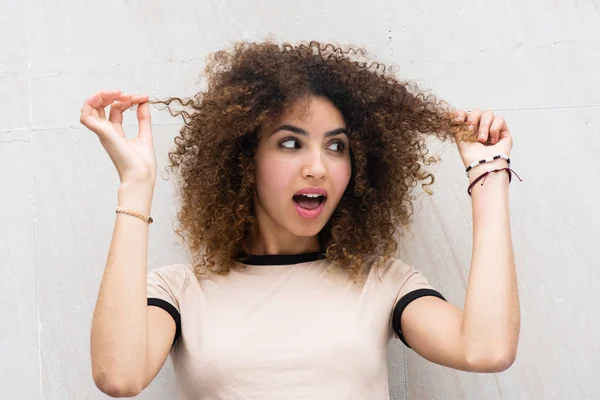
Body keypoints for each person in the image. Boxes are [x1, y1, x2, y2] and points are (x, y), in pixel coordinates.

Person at [81, 41, 520, 399]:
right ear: (246, 159)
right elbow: (120, 376)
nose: (319, 167)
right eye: (291, 143)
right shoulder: (180, 291)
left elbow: (486, 350)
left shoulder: (382, 281)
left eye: (336, 146)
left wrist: (489, 176)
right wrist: (136, 184)